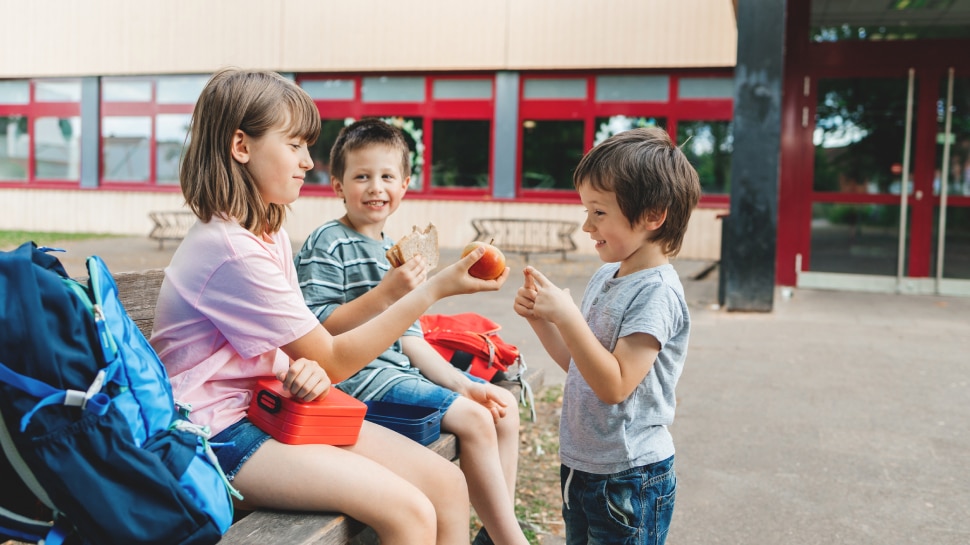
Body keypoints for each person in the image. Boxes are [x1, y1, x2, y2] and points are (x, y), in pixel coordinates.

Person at [150, 68, 509, 545]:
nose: (307, 161)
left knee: (447, 485)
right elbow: (334, 358)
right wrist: (431, 290)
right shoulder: (230, 250)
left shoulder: (266, 232)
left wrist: (303, 368)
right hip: (216, 434)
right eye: (294, 145)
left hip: (270, 405)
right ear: (241, 146)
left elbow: (308, 352)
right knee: (409, 513)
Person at [294, 118, 528, 545]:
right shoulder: (327, 242)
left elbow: (411, 339)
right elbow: (317, 329)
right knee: (476, 419)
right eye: (362, 177)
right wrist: (386, 294)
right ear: (338, 185)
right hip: (359, 382)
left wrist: (463, 383)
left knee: (502, 406)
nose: (375, 187)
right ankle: (513, 540)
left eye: (387, 177)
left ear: (404, 185)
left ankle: (495, 533)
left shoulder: (396, 251)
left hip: (400, 376)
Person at [513, 127, 701, 545]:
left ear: (652, 215)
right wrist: (543, 320)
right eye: (587, 210)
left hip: (630, 477)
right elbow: (581, 366)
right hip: (585, 466)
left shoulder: (657, 293)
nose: (586, 225)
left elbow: (615, 385)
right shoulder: (606, 276)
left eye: (599, 212)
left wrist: (568, 317)